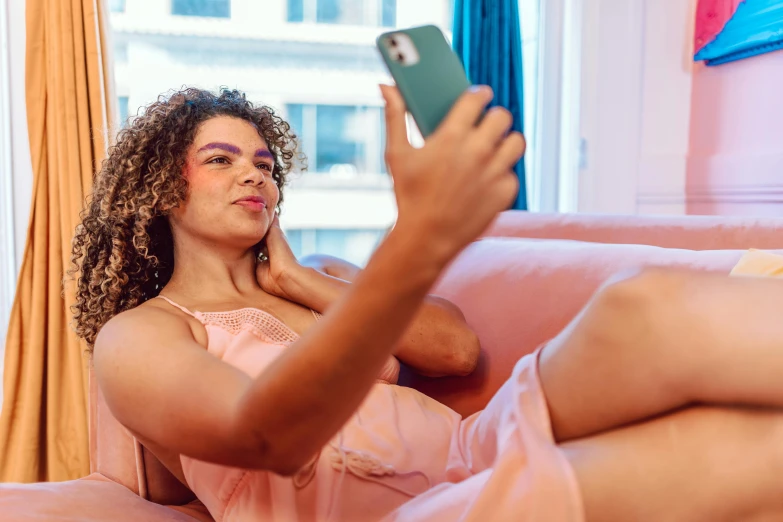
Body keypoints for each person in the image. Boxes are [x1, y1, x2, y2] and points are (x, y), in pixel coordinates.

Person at [71, 86, 783, 522]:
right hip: (406, 517)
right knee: (739, 446)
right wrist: (418, 240)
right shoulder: (141, 337)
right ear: (163, 191)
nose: (253, 176)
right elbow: (266, 437)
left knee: (639, 305)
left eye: (263, 163)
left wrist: (300, 282)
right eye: (221, 160)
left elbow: (454, 350)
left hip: (476, 450)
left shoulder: (325, 275)